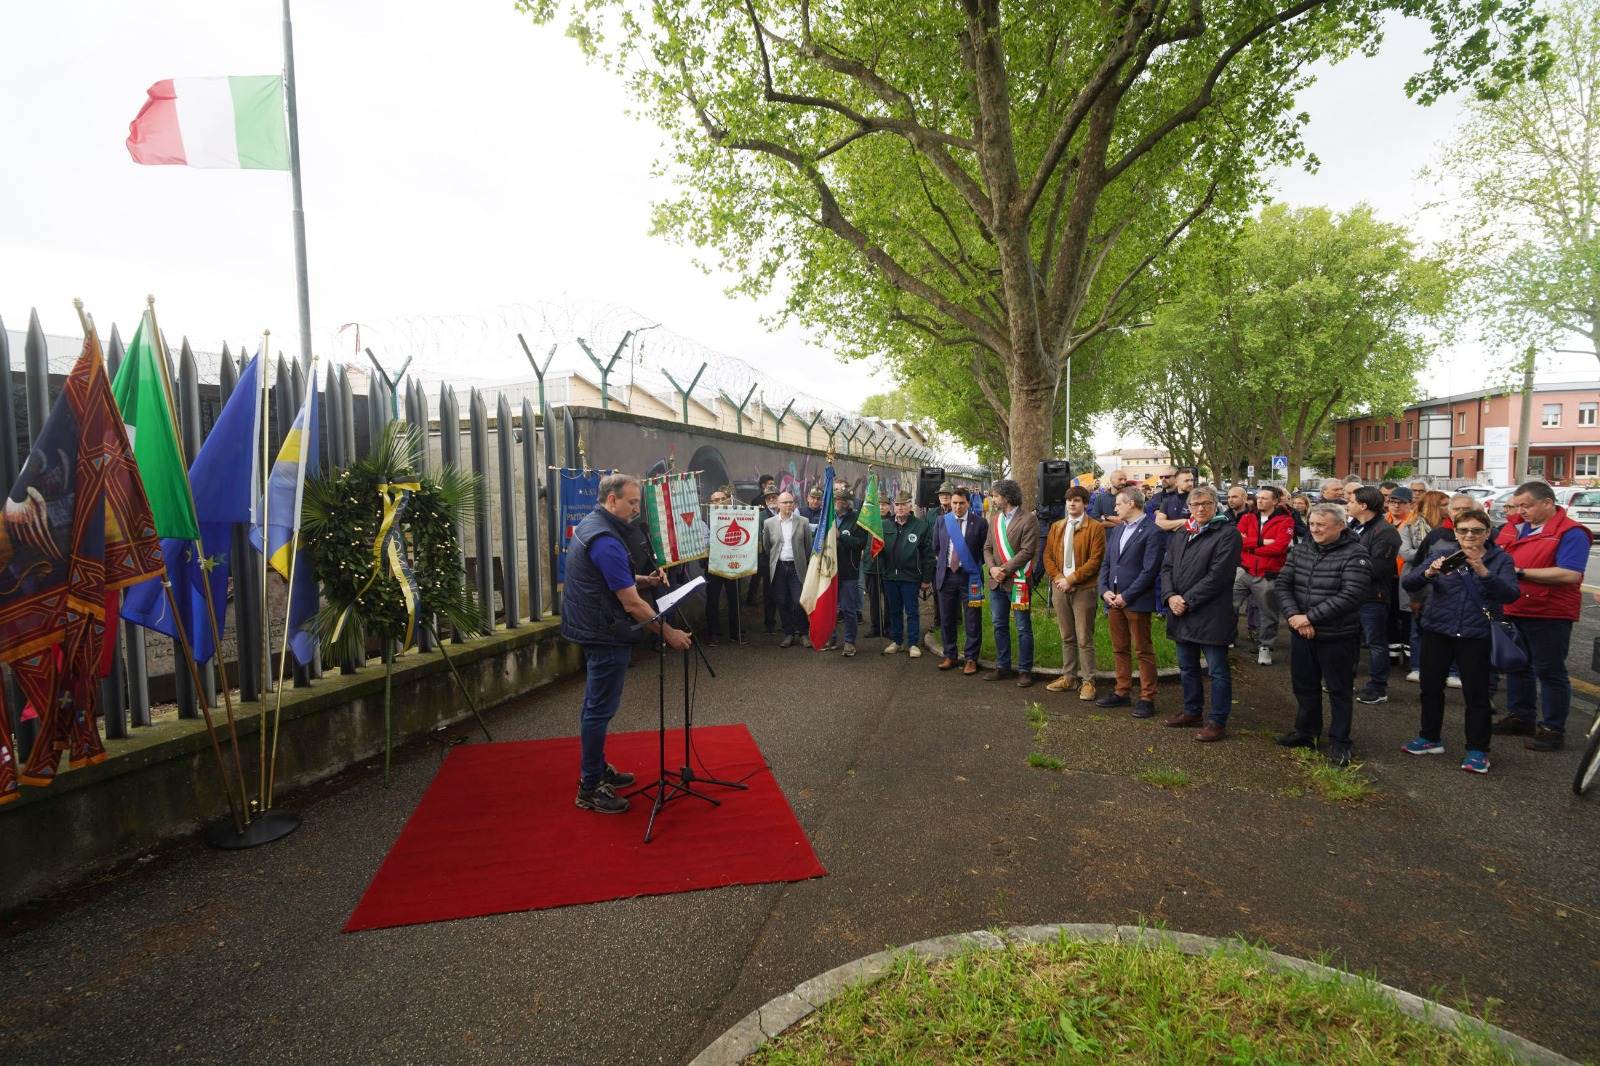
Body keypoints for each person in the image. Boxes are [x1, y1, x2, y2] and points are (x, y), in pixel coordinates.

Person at [563, 473, 692, 814]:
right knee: (598, 710)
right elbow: (633, 604)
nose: (637, 510)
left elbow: (609, 573)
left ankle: (597, 767)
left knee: (596, 707)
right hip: (604, 633)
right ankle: (590, 787)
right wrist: (670, 634)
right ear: (611, 500)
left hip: (594, 626)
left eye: (638, 503)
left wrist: (642, 578)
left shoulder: (592, 525)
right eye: (632, 502)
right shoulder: (606, 540)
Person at [1401, 508, 1519, 773]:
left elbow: (1511, 594)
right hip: (1438, 630)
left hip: (1476, 635)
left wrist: (1483, 571)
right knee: (1430, 688)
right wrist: (1429, 572)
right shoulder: (1441, 553)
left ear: (1487, 533)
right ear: (1454, 532)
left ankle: (1478, 750)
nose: (1469, 535)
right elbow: (1409, 582)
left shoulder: (1501, 559)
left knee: (1476, 695)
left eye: (1476, 530)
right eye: (1463, 530)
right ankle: (1429, 737)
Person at [1492, 480, 1592, 751]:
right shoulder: (1512, 527)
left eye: (1527, 505)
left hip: (1549, 612)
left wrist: (1520, 572)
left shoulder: (1571, 533)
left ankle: (1552, 728)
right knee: (1516, 666)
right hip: (1514, 607)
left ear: (1548, 503)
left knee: (1549, 671)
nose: (1521, 510)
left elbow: (1569, 573)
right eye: (1518, 505)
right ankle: (1521, 716)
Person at [1274, 502, 1373, 766]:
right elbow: (1283, 584)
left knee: (1339, 690)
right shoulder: (1302, 549)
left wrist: (1310, 617)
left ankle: (1340, 741)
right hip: (1301, 632)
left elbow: (1352, 595)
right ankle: (1307, 732)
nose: (1315, 529)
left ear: (1340, 526)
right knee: (1304, 686)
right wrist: (1295, 618)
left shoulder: (1356, 554)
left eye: (1321, 525)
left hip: (1337, 635)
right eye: (1312, 524)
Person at [1160, 486, 1243, 740]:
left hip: (1211, 614)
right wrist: (1170, 596)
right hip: (1181, 611)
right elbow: (1167, 568)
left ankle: (1217, 721)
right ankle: (1192, 711)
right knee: (1187, 667)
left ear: (1215, 504)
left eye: (1206, 504)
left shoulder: (1227, 533)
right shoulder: (1184, 532)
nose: (1200, 509)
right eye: (1195, 505)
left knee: (1217, 670)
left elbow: (1219, 576)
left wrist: (1187, 599)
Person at [1097, 488, 1164, 716]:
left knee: (1142, 649)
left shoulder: (1152, 532)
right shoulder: (1117, 531)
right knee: (1120, 648)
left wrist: (1127, 596)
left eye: (1118, 504)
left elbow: (1150, 570)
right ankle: (1122, 691)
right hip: (1113, 599)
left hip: (1135, 601)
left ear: (1132, 504)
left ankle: (1147, 697)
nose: (1114, 508)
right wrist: (1104, 590)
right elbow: (1107, 563)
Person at [1043, 486, 1106, 700]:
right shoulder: (1057, 526)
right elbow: (1048, 556)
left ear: (1085, 504)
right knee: (1066, 635)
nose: (1072, 504)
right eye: (1069, 500)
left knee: (1083, 637)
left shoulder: (1095, 528)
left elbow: (1095, 560)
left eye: (1077, 500)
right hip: (1060, 588)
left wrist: (1072, 579)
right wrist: (1060, 579)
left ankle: (1089, 681)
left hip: (1083, 589)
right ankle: (1069, 677)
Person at [983, 479, 1040, 686]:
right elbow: (987, 547)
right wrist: (992, 568)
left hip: (1018, 581)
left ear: (1006, 497)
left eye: (995, 495)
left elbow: (1027, 551)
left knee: (1023, 627)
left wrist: (1004, 570)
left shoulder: (1028, 519)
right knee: (999, 625)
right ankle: (1003, 666)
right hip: (997, 582)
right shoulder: (995, 518)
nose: (993, 498)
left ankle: (1025, 670)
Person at [1348, 486, 1400, 704]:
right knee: (1349, 639)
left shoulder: (1385, 532)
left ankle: (1378, 687)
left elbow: (1377, 567)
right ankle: (1343, 679)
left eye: (1350, 500)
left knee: (1375, 642)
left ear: (1363, 505)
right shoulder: (1354, 527)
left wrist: (1347, 570)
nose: (1347, 504)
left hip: (1372, 596)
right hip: (1351, 594)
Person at [1235, 484, 1294, 665]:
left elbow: (1279, 548)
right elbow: (1237, 540)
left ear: (1275, 501)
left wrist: (1251, 546)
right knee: (1227, 605)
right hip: (1244, 570)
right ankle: (1226, 638)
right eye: (1258, 497)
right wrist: (1263, 542)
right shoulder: (1247, 516)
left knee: (1268, 613)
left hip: (1268, 574)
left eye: (1264, 498)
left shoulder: (1286, 521)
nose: (1259, 500)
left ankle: (1265, 647)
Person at [932, 485, 989, 674]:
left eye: (961, 503)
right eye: (954, 503)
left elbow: (984, 550)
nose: (957, 507)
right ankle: (950, 655)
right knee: (947, 617)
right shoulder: (942, 521)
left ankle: (971, 658)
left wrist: (971, 565)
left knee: (972, 619)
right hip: (947, 576)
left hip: (970, 577)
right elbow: (937, 548)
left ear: (968, 503)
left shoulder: (980, 523)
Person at [879, 490, 934, 657]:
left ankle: (913, 643)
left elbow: (928, 556)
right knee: (894, 610)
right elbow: (878, 551)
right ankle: (896, 641)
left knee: (911, 611)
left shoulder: (920, 526)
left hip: (910, 577)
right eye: (897, 504)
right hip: (890, 576)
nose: (900, 507)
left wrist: (926, 579)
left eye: (904, 504)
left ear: (910, 506)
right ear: (893, 507)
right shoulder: (885, 525)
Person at [1388, 487, 1430, 679]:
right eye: (1392, 501)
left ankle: (1409, 656)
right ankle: (1393, 655)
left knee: (1407, 617)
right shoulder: (1384, 520)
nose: (1395, 506)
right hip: (1388, 576)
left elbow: (1414, 552)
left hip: (1406, 576)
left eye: (1400, 502)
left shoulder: (1414, 523)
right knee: (1390, 615)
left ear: (1410, 504)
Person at [762, 490, 813, 647]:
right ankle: (788, 633)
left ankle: (804, 633)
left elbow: (808, 546)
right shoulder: (769, 523)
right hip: (779, 567)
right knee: (782, 601)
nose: (788, 505)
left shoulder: (803, 521)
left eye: (791, 502)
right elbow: (767, 546)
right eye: (784, 502)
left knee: (798, 601)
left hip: (796, 567)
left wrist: (801, 561)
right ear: (778, 505)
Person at [827, 484, 869, 656]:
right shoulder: (828, 517)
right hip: (828, 569)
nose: (838, 502)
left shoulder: (857, 518)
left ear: (848, 502)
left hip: (849, 570)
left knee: (848, 609)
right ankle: (831, 638)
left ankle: (850, 642)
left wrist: (842, 536)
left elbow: (861, 543)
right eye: (836, 499)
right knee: (830, 607)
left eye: (841, 500)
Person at [702, 485, 745, 647]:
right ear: (710, 503)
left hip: (733, 564)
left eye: (723, 499)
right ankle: (713, 634)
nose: (720, 502)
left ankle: (736, 632)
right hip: (713, 566)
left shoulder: (739, 517)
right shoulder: (704, 521)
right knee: (712, 600)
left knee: (735, 600)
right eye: (715, 500)